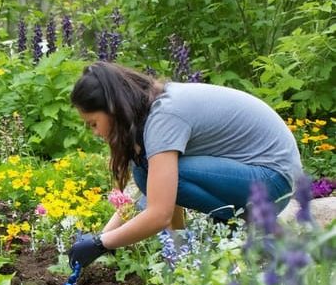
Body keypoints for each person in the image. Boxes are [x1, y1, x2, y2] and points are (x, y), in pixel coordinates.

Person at [67, 61, 303, 269]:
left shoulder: (163, 118)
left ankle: (191, 251)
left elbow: (160, 213)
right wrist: (102, 237)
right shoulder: (152, 110)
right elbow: (141, 190)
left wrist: (101, 244)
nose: (95, 133)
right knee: (146, 173)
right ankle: (183, 252)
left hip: (273, 181)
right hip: (257, 175)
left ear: (113, 109)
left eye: (94, 123)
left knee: (149, 173)